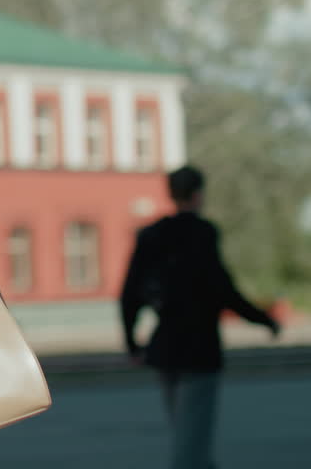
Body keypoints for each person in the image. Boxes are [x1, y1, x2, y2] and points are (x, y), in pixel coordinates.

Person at [120, 165, 282, 469]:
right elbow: (224, 290)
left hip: (165, 349)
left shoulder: (151, 236)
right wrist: (263, 319)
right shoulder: (203, 234)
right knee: (191, 447)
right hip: (199, 349)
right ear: (197, 195)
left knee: (186, 436)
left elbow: (130, 293)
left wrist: (132, 343)